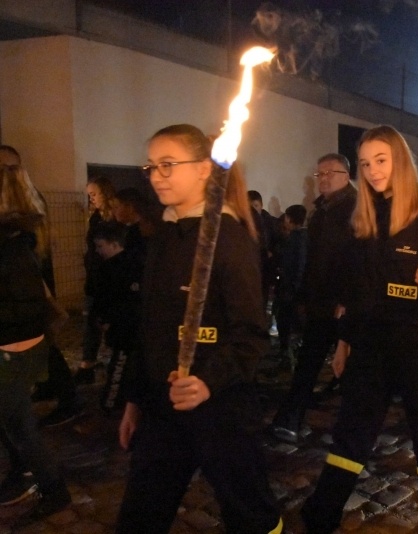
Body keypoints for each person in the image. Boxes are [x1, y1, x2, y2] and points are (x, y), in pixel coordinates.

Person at [115, 124, 282, 533]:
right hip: (162, 406)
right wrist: (136, 399)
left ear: (206, 169)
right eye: (151, 166)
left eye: (168, 164)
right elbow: (150, 327)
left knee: (249, 510)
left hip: (221, 408)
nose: (157, 175)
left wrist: (207, 380)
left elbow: (251, 333)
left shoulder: (229, 238)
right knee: (142, 511)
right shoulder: (164, 234)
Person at [300, 125, 418, 534]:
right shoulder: (363, 218)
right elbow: (357, 292)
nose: (372, 171)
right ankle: (322, 514)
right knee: (352, 427)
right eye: (366, 163)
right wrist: (344, 342)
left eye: (381, 160)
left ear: (400, 160)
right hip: (371, 341)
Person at [0, 164, 72, 523]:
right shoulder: (14, 241)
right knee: (11, 421)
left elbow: (27, 306)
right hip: (13, 343)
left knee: (19, 424)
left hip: (15, 346)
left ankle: (53, 488)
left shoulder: (13, 246)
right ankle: (21, 473)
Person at [269, 153, 356, 444]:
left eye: (330, 172)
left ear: (346, 175)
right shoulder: (320, 212)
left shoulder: (356, 209)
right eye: (319, 174)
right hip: (321, 301)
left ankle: (351, 428)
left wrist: (348, 297)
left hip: (345, 303)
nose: (324, 178)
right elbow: (314, 259)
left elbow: (360, 258)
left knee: (351, 366)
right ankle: (291, 417)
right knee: (309, 361)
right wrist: (304, 294)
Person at [92, 222, 143, 413]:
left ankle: (110, 405)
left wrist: (107, 319)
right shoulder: (127, 264)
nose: (97, 251)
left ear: (114, 244)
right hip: (123, 329)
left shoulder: (119, 268)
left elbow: (119, 301)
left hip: (124, 331)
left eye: (100, 246)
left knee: (118, 368)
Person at [76, 175, 116, 385]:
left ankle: (113, 364)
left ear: (105, 193)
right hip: (95, 276)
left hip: (110, 278)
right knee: (90, 320)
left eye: (94, 194)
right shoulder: (96, 218)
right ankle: (88, 364)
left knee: (109, 322)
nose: (91, 199)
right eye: (89, 195)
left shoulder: (115, 218)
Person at [273, 204, 307, 366]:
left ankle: (286, 351)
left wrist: (293, 287)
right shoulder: (303, 237)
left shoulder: (296, 238)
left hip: (289, 289)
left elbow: (297, 264)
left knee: (285, 319)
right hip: (292, 287)